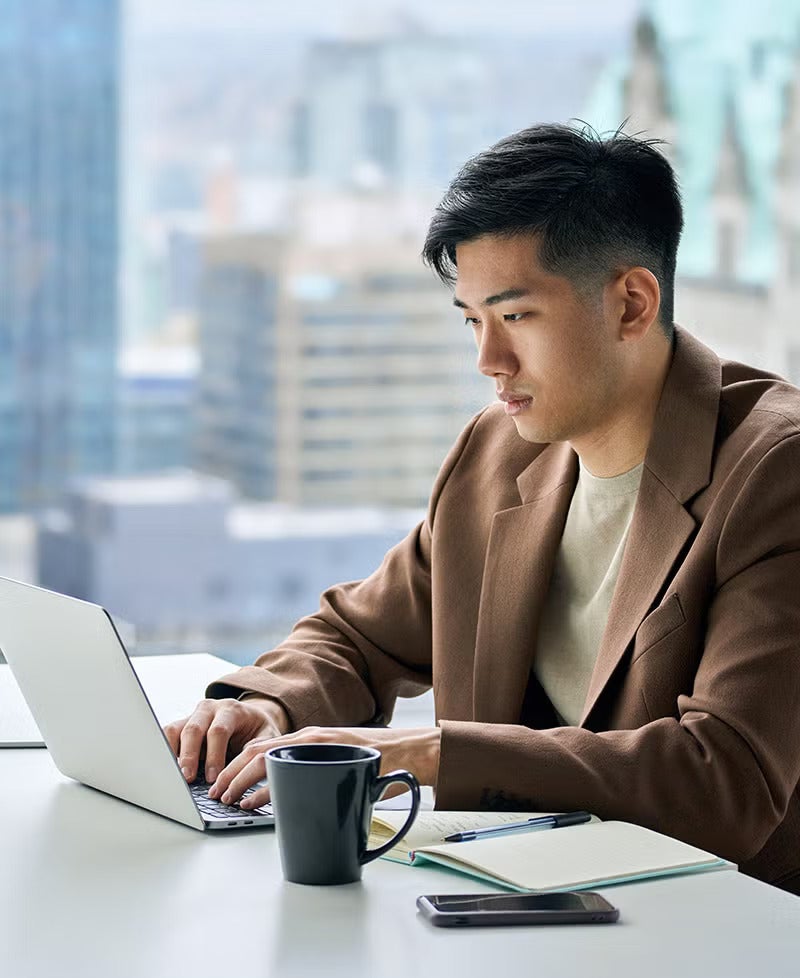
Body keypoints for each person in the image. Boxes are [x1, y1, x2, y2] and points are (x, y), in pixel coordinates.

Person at [164, 123, 800, 894]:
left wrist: (431, 754)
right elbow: (359, 636)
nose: (488, 361)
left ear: (632, 303)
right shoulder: (498, 453)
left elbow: (725, 780)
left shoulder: (776, 472)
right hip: (510, 905)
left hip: (715, 922)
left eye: (516, 316)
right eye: (472, 320)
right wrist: (268, 707)